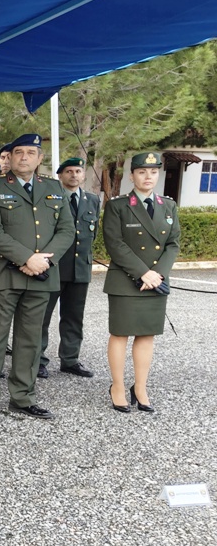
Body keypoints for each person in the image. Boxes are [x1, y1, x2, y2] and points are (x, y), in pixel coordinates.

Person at [0, 133, 74, 422]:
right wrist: (27, 258)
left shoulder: (54, 187)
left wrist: (44, 261)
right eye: (19, 152)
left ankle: (23, 397)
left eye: (30, 153)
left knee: (30, 340)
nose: (24, 157)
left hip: (41, 275)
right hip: (4, 274)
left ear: (40, 158)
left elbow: (67, 229)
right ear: (10, 157)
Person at [103, 152, 179, 413]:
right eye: (142, 172)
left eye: (154, 172)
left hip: (156, 280)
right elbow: (115, 244)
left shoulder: (168, 205)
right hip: (126, 280)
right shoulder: (118, 206)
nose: (149, 176)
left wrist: (158, 274)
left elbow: (173, 244)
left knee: (147, 334)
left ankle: (141, 387)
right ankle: (117, 387)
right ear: (132, 175)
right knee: (120, 334)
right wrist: (143, 273)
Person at [39, 157, 100, 379]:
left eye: (78, 171)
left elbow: (92, 233)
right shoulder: (50, 198)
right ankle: (37, 360)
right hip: (53, 267)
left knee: (74, 317)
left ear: (83, 175)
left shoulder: (92, 200)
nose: (74, 175)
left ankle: (70, 359)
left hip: (79, 268)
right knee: (42, 317)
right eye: (69, 171)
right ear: (60, 175)